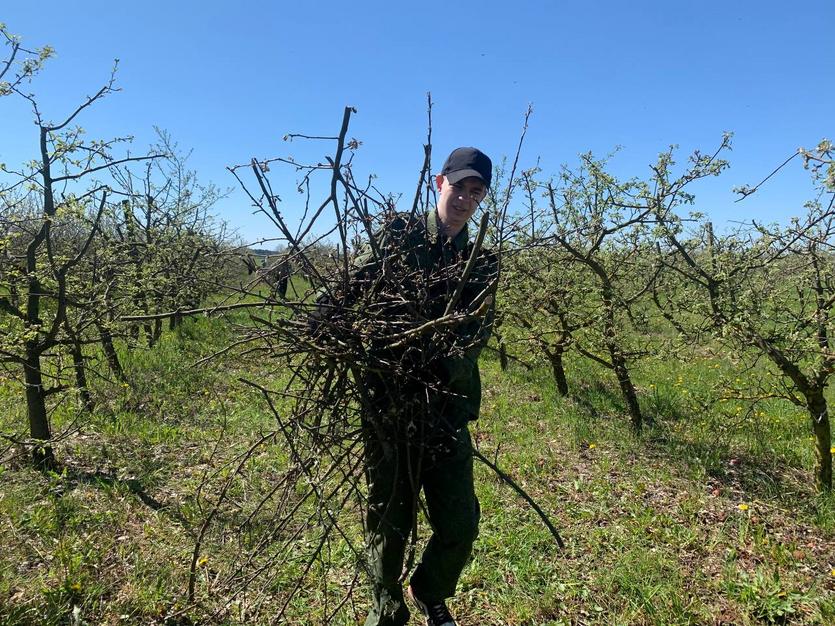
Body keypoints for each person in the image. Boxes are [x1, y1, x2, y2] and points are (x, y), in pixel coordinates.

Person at [348, 147, 497, 626]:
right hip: (389, 403)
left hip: (447, 407)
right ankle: (385, 610)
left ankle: (431, 589)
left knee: (459, 521)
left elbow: (475, 333)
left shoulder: (483, 262)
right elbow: (358, 296)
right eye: (460, 188)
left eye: (477, 193)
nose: (466, 200)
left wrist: (436, 360)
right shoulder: (398, 236)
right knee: (390, 519)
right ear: (439, 183)